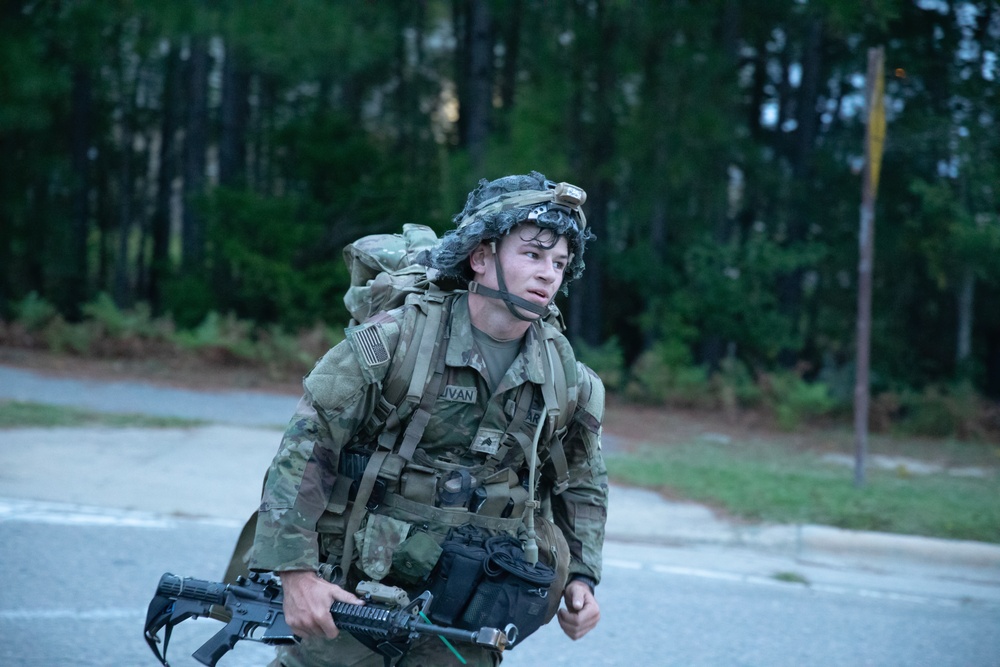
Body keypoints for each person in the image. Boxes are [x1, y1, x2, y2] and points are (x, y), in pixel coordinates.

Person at [247, 171, 608, 667]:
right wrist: (296, 575)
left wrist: (583, 577)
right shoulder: (394, 343)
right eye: (532, 254)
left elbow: (583, 480)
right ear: (480, 258)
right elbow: (306, 452)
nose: (549, 273)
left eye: (560, 262)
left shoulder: (568, 378)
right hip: (357, 595)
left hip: (471, 610)